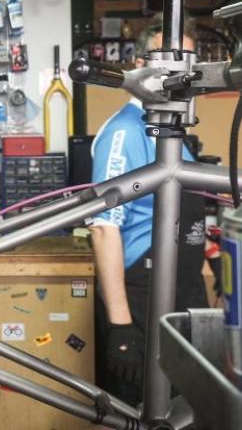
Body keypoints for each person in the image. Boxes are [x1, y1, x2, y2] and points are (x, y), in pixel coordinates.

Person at [90, 23, 210, 406]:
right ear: (142, 65)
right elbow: (104, 231)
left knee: (187, 408)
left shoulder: (171, 132)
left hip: (182, 290)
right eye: (170, 62)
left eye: (188, 64)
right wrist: (122, 326)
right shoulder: (125, 132)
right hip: (142, 299)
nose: (181, 75)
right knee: (144, 409)